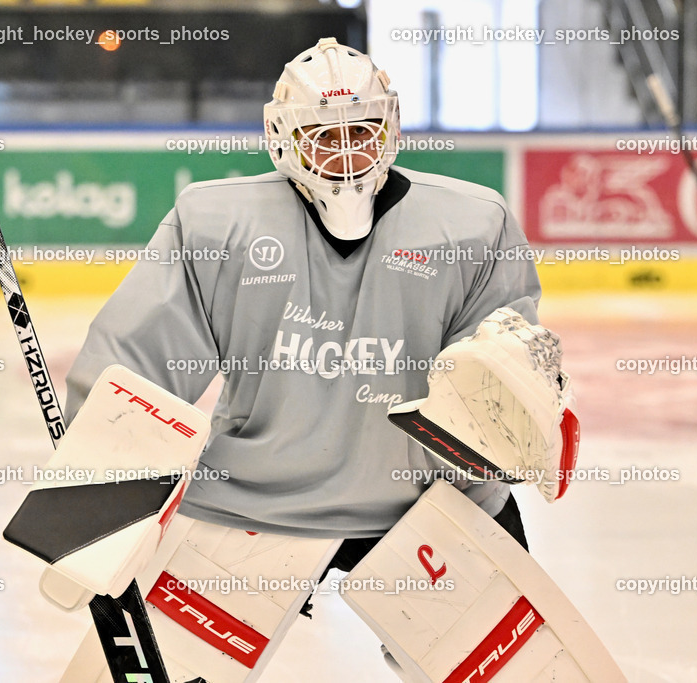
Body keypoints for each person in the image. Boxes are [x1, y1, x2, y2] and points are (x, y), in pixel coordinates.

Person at [58, 38, 564, 680]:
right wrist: (102, 468)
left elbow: (501, 371)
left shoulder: (472, 224)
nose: (348, 154)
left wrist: (513, 428)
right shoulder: (216, 223)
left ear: (392, 127)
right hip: (250, 505)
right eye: (325, 137)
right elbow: (136, 364)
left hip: (430, 504)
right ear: (283, 138)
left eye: (363, 131)